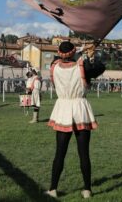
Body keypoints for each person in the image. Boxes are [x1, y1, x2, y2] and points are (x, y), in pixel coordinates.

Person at [45, 41, 105, 199]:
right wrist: (91, 55)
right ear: (73, 52)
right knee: (84, 153)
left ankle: (52, 189)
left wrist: (80, 50)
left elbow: (61, 57)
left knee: (60, 153)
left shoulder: (54, 66)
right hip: (80, 107)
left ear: (60, 52)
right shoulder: (83, 65)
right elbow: (100, 68)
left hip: (63, 108)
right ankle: (87, 190)